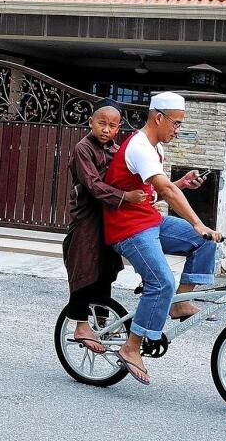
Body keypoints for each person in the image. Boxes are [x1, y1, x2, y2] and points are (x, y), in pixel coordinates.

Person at [101, 91, 220, 386]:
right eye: (176, 124)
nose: (177, 130)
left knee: (205, 242)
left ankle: (178, 304)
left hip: (148, 220)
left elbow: (156, 191)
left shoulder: (155, 149)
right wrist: (197, 222)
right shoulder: (140, 146)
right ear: (158, 117)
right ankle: (131, 347)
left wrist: (181, 183)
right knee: (162, 281)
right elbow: (165, 192)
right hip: (127, 228)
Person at [61, 101, 142, 354]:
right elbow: (93, 185)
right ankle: (81, 324)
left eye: (112, 125)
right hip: (87, 218)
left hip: (108, 218)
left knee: (105, 270)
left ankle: (102, 319)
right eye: (101, 123)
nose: (106, 129)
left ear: (118, 128)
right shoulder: (83, 148)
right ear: (90, 122)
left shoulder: (117, 151)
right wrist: (125, 197)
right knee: (84, 268)